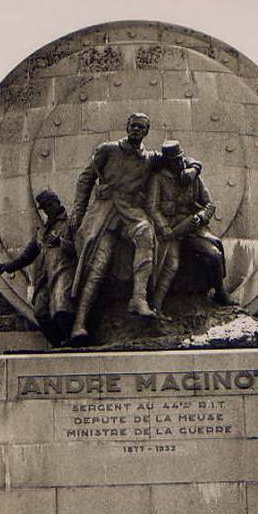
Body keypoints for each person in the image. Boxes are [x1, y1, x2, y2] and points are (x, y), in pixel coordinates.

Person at [68, 113, 200, 343]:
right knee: (97, 265)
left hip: (130, 210)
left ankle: (138, 298)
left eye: (141, 127)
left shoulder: (150, 157)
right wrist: (78, 212)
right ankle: (78, 324)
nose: (136, 130)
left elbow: (177, 158)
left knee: (145, 231)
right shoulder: (107, 149)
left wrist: (194, 168)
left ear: (146, 132)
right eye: (133, 125)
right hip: (105, 211)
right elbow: (86, 178)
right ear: (127, 127)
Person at [146, 140, 234, 312]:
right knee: (170, 265)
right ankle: (155, 306)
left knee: (214, 254)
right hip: (171, 229)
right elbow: (152, 207)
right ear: (167, 161)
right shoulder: (158, 179)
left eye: (180, 158)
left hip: (193, 227)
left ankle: (220, 292)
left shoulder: (193, 177)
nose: (178, 163)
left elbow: (209, 204)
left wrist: (201, 218)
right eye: (174, 160)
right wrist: (165, 229)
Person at [0, 189, 75, 346]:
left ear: (57, 202)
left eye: (50, 204)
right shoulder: (42, 232)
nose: (48, 209)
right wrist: (5, 267)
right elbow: (27, 257)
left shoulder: (70, 224)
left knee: (62, 310)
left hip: (64, 274)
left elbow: (81, 249)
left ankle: (72, 341)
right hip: (45, 278)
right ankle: (58, 344)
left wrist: (61, 243)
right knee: (40, 312)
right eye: (44, 207)